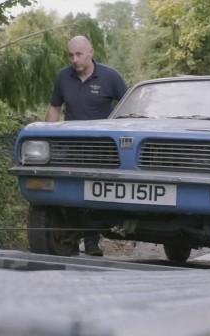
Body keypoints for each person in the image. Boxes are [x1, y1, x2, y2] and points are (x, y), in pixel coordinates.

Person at [45, 35, 128, 256]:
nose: (74, 59)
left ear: (91, 52)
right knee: (74, 194)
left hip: (105, 149)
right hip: (72, 147)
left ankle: (92, 241)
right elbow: (54, 108)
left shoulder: (111, 77)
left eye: (79, 54)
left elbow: (130, 108)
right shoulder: (63, 77)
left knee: (96, 195)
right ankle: (69, 238)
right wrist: (46, 136)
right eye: (70, 55)